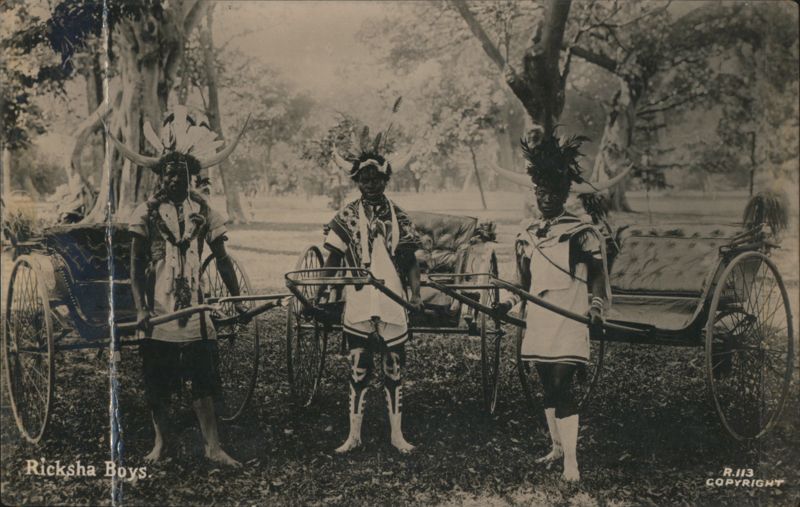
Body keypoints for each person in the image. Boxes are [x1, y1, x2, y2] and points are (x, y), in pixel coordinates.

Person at [112, 108, 248, 466]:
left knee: (204, 380)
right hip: (159, 309)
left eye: (183, 174)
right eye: (169, 172)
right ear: (160, 177)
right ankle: (162, 444)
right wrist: (141, 308)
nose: (175, 178)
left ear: (192, 177)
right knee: (158, 383)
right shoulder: (146, 212)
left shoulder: (204, 211)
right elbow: (136, 267)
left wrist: (237, 299)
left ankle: (213, 447)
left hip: (197, 310)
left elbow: (222, 258)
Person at [497, 131, 610, 482]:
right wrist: (508, 301)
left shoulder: (581, 232)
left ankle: (571, 463)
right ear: (535, 194)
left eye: (554, 193)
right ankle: (557, 446)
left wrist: (595, 307)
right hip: (541, 318)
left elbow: (596, 275)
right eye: (541, 192)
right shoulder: (527, 233)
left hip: (570, 314)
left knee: (563, 384)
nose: (546, 199)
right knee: (547, 381)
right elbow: (522, 281)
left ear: (565, 195)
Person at [322, 142, 422, 454]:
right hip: (360, 299)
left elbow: (411, 261)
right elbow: (332, 258)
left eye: (376, 179)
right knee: (359, 367)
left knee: (393, 367)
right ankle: (354, 436)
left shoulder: (400, 217)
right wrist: (324, 290)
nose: (371, 184)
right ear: (357, 182)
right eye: (365, 179)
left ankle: (397, 435)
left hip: (392, 298)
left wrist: (416, 294)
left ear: (385, 180)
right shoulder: (346, 216)